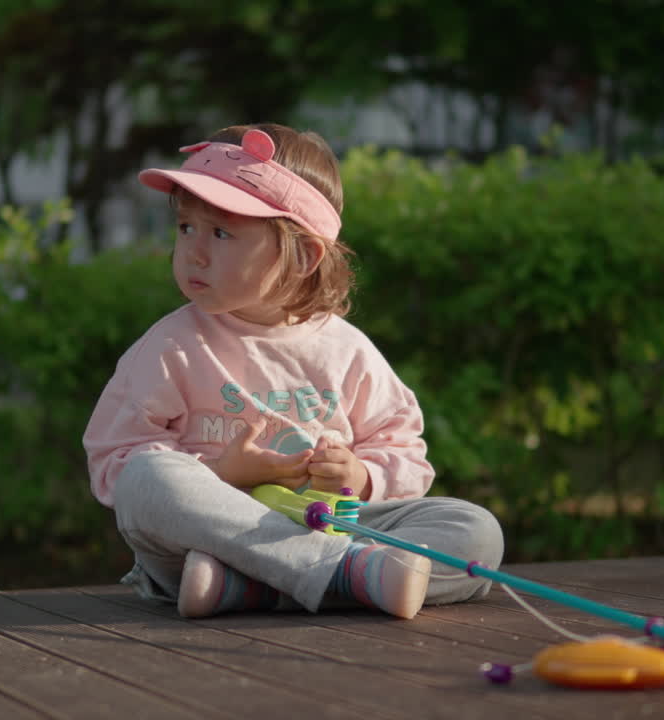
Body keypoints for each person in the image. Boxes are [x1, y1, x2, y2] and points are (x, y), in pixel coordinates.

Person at [83, 123, 503, 619]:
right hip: (213, 541)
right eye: (185, 228)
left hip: (322, 527)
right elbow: (114, 461)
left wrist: (362, 476)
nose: (193, 252)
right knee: (144, 479)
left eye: (220, 233)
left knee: (474, 528)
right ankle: (347, 575)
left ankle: (257, 588)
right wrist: (221, 475)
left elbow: (404, 448)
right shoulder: (172, 346)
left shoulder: (345, 350)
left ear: (303, 255)